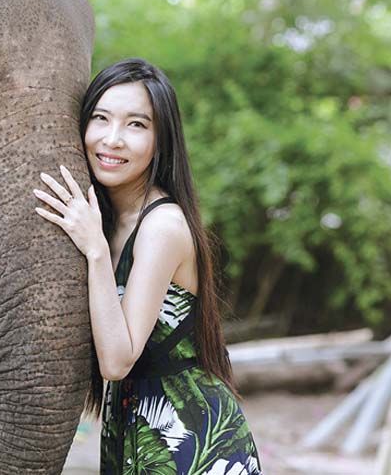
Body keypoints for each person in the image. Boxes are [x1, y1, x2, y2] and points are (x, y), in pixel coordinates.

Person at [34, 59, 262, 474]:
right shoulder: (105, 219)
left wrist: (97, 251)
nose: (113, 139)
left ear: (161, 140)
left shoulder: (162, 226)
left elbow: (118, 360)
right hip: (132, 429)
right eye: (100, 119)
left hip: (191, 439)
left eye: (136, 125)